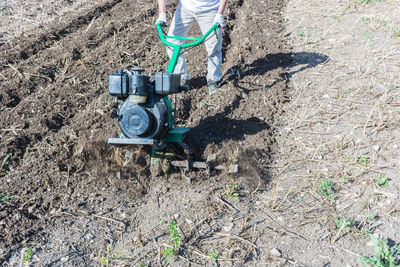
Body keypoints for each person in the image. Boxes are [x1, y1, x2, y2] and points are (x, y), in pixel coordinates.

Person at [156, 0, 229, 95]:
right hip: (185, 8)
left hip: (210, 9)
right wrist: (162, 14)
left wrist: (219, 14)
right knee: (172, 43)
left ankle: (213, 80)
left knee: (213, 47)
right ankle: (181, 78)